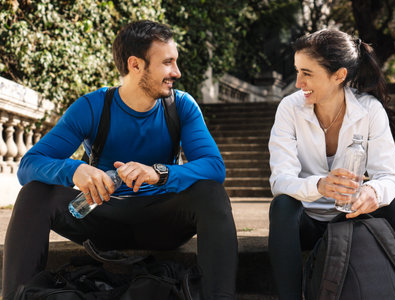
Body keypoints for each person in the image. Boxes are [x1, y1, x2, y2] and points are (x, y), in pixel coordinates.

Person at [2, 20, 238, 300]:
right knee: (34, 194)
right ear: (135, 65)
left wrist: (159, 173)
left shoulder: (181, 106)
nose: (177, 72)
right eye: (167, 63)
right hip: (100, 218)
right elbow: (29, 165)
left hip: (162, 222)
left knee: (211, 192)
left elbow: (214, 167)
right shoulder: (92, 107)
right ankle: (18, 295)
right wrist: (74, 169)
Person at [268, 29, 395, 300]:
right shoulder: (289, 109)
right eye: (297, 71)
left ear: (339, 75)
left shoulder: (369, 110)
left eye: (307, 73)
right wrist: (320, 185)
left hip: (352, 217)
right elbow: (280, 181)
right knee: (283, 205)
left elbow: (390, 178)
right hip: (307, 221)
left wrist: (372, 193)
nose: (298, 83)